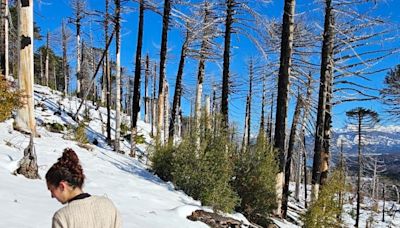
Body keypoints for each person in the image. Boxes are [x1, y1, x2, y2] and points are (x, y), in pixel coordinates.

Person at [46, 148, 122, 228]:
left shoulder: (62, 217)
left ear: (62, 186)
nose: (52, 196)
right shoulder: (108, 205)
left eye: (51, 190)